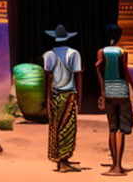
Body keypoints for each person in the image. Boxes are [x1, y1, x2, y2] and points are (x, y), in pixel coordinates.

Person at [96, 24, 133, 176]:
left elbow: (98, 67)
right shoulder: (122, 52)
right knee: (121, 129)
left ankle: (114, 166)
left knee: (112, 128)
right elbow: (126, 74)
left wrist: (102, 91)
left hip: (109, 92)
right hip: (122, 91)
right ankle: (118, 167)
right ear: (119, 37)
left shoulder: (102, 52)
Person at [44, 24, 83, 173]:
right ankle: (63, 161)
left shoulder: (49, 55)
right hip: (68, 94)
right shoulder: (74, 54)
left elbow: (48, 77)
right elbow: (78, 75)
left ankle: (59, 158)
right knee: (68, 128)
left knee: (56, 126)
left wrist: (47, 97)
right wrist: (79, 98)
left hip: (55, 95)